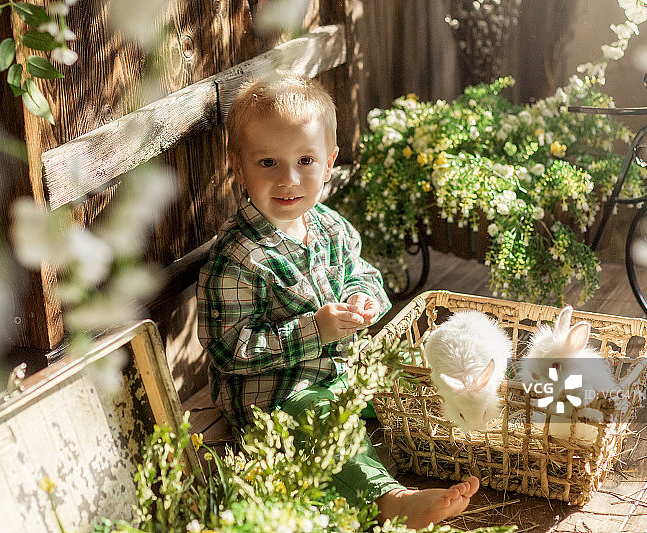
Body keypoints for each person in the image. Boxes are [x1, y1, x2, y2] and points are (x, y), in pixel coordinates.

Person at [197, 73, 479, 529]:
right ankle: (392, 500)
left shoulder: (330, 227)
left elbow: (364, 276)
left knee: (408, 376)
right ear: (238, 164)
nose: (288, 179)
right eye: (267, 162)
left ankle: (459, 439)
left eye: (304, 160)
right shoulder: (238, 257)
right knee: (329, 426)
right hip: (276, 395)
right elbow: (229, 350)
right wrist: (316, 329)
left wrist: (361, 298)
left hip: (341, 368)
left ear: (328, 164)